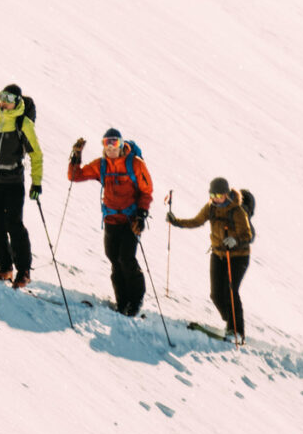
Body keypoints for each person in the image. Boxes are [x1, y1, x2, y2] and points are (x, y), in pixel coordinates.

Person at [67, 129, 154, 315]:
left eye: (114, 143)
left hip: (131, 220)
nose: (110, 147)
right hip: (111, 219)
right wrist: (76, 155)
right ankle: (122, 301)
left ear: (121, 144)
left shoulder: (136, 164)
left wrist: (141, 215)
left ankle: (136, 299)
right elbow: (75, 175)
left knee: (126, 258)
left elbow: (146, 191)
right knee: (114, 258)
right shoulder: (102, 165)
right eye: (107, 143)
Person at [0, 83, 45, 284]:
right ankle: (5, 268)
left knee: (14, 225)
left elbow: (36, 154)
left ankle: (24, 272)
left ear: (18, 102)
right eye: (3, 96)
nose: (4, 102)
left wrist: (36, 183)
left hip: (12, 181)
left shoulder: (24, 124)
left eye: (10, 98)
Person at [168, 177, 255, 341]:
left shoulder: (237, 211)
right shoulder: (211, 208)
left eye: (218, 195)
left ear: (227, 194)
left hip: (238, 257)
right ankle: (230, 320)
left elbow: (247, 234)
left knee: (231, 290)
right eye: (212, 195)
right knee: (216, 294)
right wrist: (176, 222)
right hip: (218, 254)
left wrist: (235, 240)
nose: (215, 198)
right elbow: (196, 221)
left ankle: (237, 331)